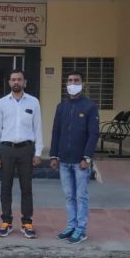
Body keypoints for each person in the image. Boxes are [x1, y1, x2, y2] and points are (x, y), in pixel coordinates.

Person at [0, 69, 43, 239]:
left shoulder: (34, 102)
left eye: (19, 79)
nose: (16, 82)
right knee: (5, 187)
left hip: (26, 150)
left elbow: (38, 128)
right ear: (9, 82)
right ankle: (6, 221)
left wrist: (38, 152)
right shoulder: (1, 103)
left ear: (24, 82)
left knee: (26, 188)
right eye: (13, 79)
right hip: (6, 149)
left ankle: (27, 222)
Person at [49, 71, 100, 245]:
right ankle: (71, 226)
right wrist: (54, 155)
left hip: (80, 162)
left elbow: (93, 134)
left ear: (82, 84)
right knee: (69, 196)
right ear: (66, 84)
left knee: (81, 196)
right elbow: (56, 131)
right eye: (70, 80)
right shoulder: (61, 107)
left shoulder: (89, 106)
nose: (72, 83)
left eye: (76, 80)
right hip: (63, 160)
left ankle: (81, 229)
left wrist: (87, 157)